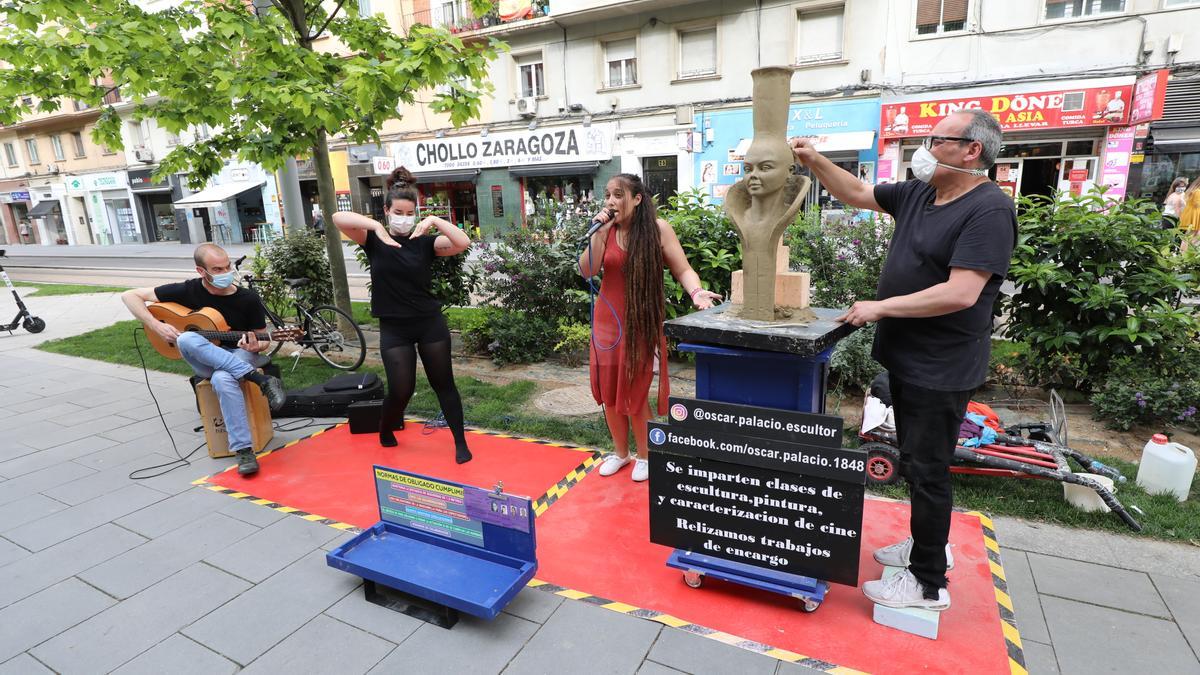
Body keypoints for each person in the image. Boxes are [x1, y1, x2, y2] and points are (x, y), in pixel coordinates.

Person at [791, 108, 1016, 611]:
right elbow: (855, 192)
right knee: (914, 462)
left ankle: (928, 582)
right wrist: (814, 159)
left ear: (971, 150)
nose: (926, 146)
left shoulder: (989, 210)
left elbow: (961, 293)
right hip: (908, 359)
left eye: (937, 139)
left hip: (942, 366)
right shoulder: (920, 193)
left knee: (928, 469)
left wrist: (879, 308)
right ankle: (923, 546)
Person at [578, 173, 722, 482]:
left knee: (635, 389)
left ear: (637, 198)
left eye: (618, 195)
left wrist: (697, 293)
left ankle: (645, 454)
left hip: (640, 322)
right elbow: (587, 269)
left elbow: (683, 268)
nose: (610, 202)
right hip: (607, 321)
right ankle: (621, 453)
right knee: (610, 391)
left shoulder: (658, 230)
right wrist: (597, 233)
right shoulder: (605, 231)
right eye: (607, 195)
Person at [332, 167, 475, 464]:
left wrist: (434, 220)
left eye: (410, 212)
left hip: (428, 323)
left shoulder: (425, 243)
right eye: (398, 211)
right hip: (394, 328)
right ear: (387, 210)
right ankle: (386, 427)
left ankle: (460, 442)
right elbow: (337, 218)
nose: (404, 217)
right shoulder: (372, 241)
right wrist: (377, 228)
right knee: (401, 388)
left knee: (443, 383)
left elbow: (462, 243)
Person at [121, 244, 286, 476]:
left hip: (240, 354)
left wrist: (256, 344)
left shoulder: (247, 298)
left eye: (227, 266)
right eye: (217, 269)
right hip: (205, 357)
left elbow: (263, 339)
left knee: (222, 379)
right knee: (187, 338)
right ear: (201, 271)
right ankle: (260, 381)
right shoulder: (187, 291)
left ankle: (243, 450)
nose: (225, 272)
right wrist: (156, 325)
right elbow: (129, 295)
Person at [1179, 176, 1200, 253]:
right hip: (1195, 217)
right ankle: (1185, 254)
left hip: (1193, 216)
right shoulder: (1197, 191)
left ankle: (1183, 254)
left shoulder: (1194, 190)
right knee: (1192, 236)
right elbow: (1197, 204)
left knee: (1189, 236)